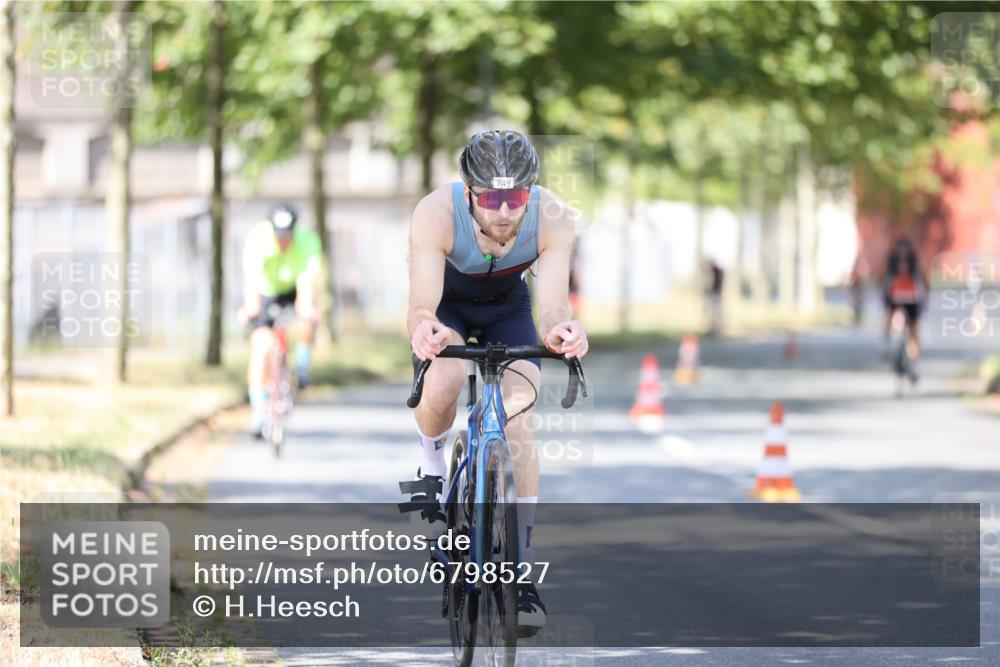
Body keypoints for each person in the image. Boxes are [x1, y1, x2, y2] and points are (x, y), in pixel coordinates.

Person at [402, 130, 588, 635]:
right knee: (442, 384)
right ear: (468, 194)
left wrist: (562, 331)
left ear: (531, 192)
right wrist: (425, 328)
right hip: (449, 307)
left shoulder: (554, 217)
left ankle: (521, 573)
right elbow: (421, 302)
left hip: (509, 309)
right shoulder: (435, 212)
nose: (505, 210)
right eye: (491, 198)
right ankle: (432, 464)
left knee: (520, 420)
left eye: (516, 197)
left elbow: (551, 306)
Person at [238, 204, 323, 437]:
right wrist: (251, 306)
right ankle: (258, 409)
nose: (283, 240)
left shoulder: (307, 242)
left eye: (287, 235)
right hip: (266, 290)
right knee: (261, 347)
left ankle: (303, 361)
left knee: (309, 316)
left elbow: (307, 282)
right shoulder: (259, 239)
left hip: (294, 288)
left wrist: (305, 307)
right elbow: (251, 279)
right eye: (279, 234)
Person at [881, 237, 927, 367]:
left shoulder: (892, 258)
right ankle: (915, 358)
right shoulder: (914, 258)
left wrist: (884, 297)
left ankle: (886, 346)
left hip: (895, 296)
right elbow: (922, 278)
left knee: (889, 318)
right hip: (912, 298)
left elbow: (885, 278)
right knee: (913, 328)